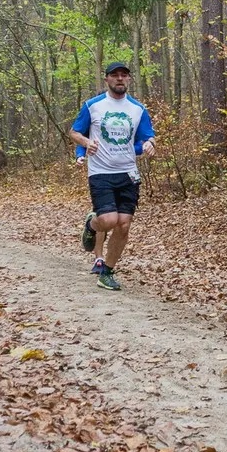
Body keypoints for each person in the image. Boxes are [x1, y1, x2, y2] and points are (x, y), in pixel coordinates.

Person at [71, 62, 156, 291]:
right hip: (101, 172)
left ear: (129, 80)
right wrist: (86, 143)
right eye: (115, 75)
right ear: (107, 79)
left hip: (128, 173)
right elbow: (74, 131)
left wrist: (149, 144)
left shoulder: (138, 109)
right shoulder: (93, 106)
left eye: (124, 76)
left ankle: (107, 272)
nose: (120, 79)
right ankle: (92, 223)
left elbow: (148, 135)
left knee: (124, 226)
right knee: (108, 221)